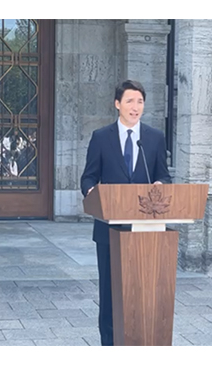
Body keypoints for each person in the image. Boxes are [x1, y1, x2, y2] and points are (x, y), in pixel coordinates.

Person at [80, 80, 172, 346]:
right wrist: (92, 192)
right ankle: (109, 347)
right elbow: (88, 177)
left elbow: (163, 175)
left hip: (147, 231)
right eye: (130, 101)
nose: (135, 107)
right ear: (117, 104)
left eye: (140, 101)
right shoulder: (101, 137)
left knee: (143, 294)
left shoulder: (153, 138)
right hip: (110, 230)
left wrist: (160, 185)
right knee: (110, 295)